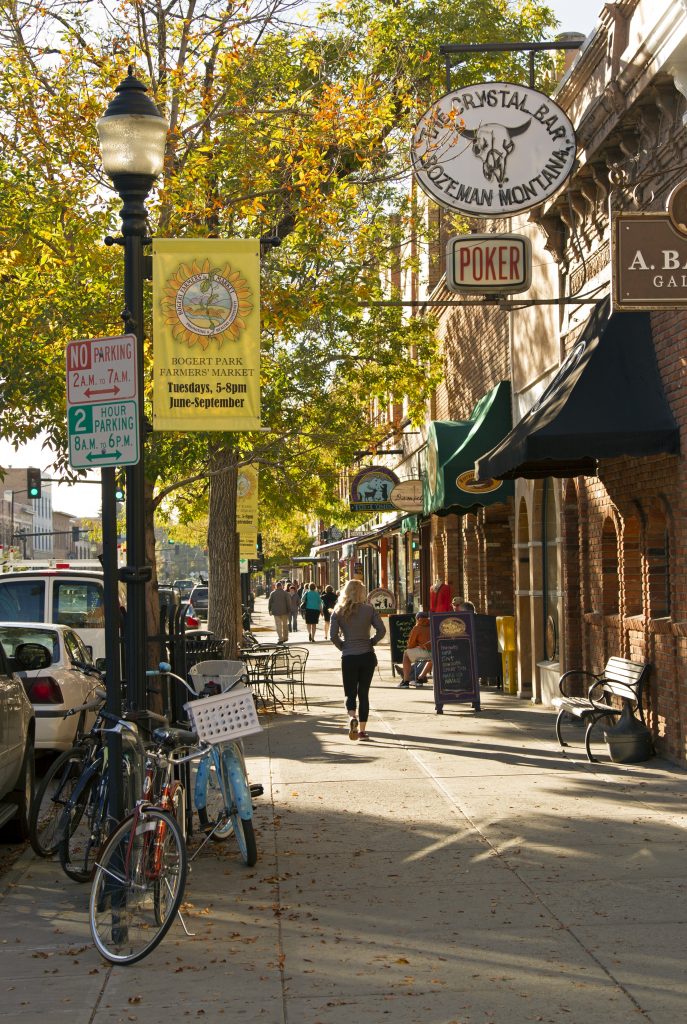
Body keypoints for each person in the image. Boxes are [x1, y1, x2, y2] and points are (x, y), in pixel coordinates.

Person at [329, 580, 386, 741]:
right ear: (362, 592)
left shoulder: (338, 611)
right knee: (364, 693)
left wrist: (343, 647)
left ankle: (351, 717)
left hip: (348, 656)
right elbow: (382, 630)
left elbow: (332, 636)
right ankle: (362, 731)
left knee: (350, 692)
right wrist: (372, 641)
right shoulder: (369, 609)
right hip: (366, 655)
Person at [399, 610, 432, 688]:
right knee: (432, 657)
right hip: (437, 652)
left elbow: (410, 645)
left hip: (425, 651)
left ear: (417, 619)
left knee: (406, 654)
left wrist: (418, 645)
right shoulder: (434, 624)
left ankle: (406, 681)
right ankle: (421, 677)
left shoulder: (417, 627)